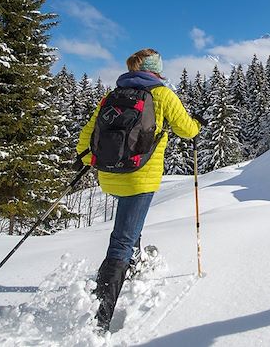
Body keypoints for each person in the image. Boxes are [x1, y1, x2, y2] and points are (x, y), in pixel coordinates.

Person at [77, 48, 204, 331]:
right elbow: (186, 129)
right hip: (140, 177)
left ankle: (131, 266)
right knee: (121, 239)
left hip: (109, 174)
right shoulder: (162, 94)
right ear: (155, 69)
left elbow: (88, 135)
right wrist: (197, 125)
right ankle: (100, 316)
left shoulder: (113, 94)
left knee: (128, 228)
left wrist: (91, 160)